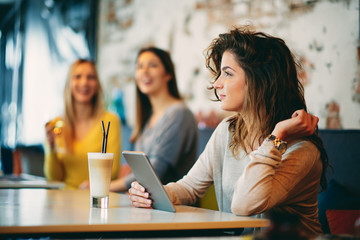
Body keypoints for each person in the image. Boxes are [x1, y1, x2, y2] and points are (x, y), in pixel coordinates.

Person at [128, 27, 329, 238]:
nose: (217, 83)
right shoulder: (228, 131)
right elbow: (190, 187)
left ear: (259, 80)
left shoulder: (302, 150)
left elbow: (245, 204)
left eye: (228, 73)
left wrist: (277, 136)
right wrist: (153, 195)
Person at [109, 47, 198, 192]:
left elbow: (152, 174)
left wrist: (103, 187)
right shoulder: (148, 116)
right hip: (146, 207)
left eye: (153, 65)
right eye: (139, 66)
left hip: (175, 209)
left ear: (168, 74)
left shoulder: (179, 114)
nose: (144, 71)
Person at [44, 59, 121, 189]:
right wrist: (51, 148)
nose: (84, 82)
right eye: (77, 76)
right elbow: (53, 178)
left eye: (90, 77)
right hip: (63, 200)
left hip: (95, 197)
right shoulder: (56, 124)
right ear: (69, 83)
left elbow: (112, 172)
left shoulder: (110, 121)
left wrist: (91, 186)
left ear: (97, 84)